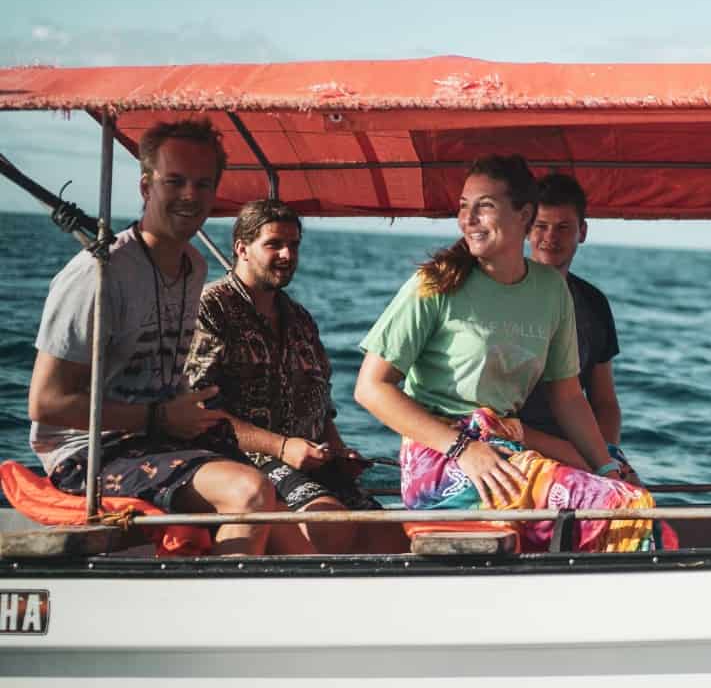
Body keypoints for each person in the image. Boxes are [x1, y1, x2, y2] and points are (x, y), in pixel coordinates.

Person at [27, 118, 307, 556]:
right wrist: (159, 419)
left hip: (155, 439)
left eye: (203, 183)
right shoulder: (98, 274)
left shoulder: (193, 266)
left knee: (294, 532)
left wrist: (184, 416)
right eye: (174, 181)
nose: (190, 195)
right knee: (248, 491)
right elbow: (46, 404)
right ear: (145, 186)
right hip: (87, 454)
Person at [354, 154, 656, 552]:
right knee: (621, 506)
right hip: (445, 460)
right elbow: (371, 389)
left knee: (631, 494)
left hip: (507, 451)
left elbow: (568, 397)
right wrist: (464, 450)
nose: (469, 218)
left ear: (522, 215)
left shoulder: (551, 290)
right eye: (464, 206)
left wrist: (607, 467)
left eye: (485, 206)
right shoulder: (435, 283)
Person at [185, 199, 406, 554]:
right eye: (274, 244)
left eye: (294, 245)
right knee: (330, 527)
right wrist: (281, 447)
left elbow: (322, 406)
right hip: (239, 460)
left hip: (307, 461)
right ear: (242, 248)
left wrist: (335, 449)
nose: (288, 254)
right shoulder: (211, 308)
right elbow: (197, 411)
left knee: (394, 537)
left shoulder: (301, 319)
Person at [520, 173, 632, 477]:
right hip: (512, 445)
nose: (550, 237)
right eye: (541, 226)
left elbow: (604, 401)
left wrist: (608, 456)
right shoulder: (504, 293)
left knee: (634, 500)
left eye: (563, 227)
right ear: (525, 230)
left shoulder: (593, 302)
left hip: (577, 448)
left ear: (582, 232)